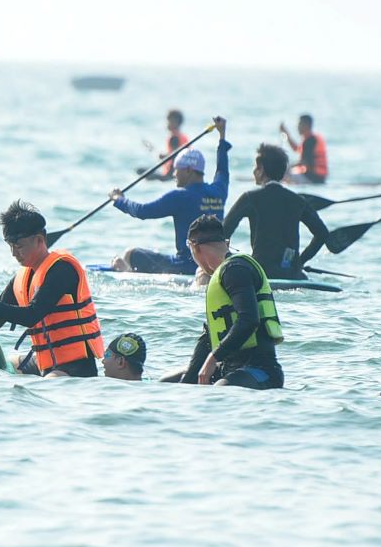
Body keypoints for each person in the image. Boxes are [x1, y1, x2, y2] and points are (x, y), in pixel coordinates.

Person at [0, 200, 105, 377]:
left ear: (39, 240)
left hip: (75, 367)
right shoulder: (22, 278)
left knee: (47, 385)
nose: (13, 253)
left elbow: (31, 316)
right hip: (43, 362)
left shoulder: (62, 270)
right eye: (10, 246)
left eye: (19, 246)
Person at [158, 216, 284, 389]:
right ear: (226, 242)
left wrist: (212, 359)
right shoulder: (220, 275)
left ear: (194, 247)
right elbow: (208, 338)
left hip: (261, 371)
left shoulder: (236, 270)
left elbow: (249, 319)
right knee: (168, 383)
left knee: (221, 391)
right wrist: (187, 383)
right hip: (229, 369)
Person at [110, 116, 230, 274]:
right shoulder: (219, 191)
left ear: (188, 170)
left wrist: (119, 200)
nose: (174, 174)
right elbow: (222, 170)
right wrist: (222, 135)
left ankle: (126, 271)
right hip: (215, 265)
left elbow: (142, 211)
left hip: (185, 266)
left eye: (177, 169)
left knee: (130, 254)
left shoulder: (180, 197)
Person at [222, 143, 329, 280]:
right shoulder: (298, 201)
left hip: (261, 274)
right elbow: (322, 234)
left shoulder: (250, 198)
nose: (254, 171)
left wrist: (230, 259)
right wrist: (299, 262)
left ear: (261, 170)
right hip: (292, 274)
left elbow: (223, 232)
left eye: (256, 167)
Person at [140, 109, 191, 180]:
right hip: (183, 174)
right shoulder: (183, 136)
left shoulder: (174, 138)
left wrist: (162, 156)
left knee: (140, 171)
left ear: (176, 122)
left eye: (169, 121)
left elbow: (175, 157)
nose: (167, 123)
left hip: (171, 175)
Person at [279, 113, 328, 184]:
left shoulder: (310, 140)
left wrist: (287, 167)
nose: (297, 127)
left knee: (283, 175)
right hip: (317, 177)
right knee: (288, 172)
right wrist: (286, 134)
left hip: (313, 178)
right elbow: (296, 149)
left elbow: (304, 162)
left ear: (306, 125)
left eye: (299, 124)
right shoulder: (310, 139)